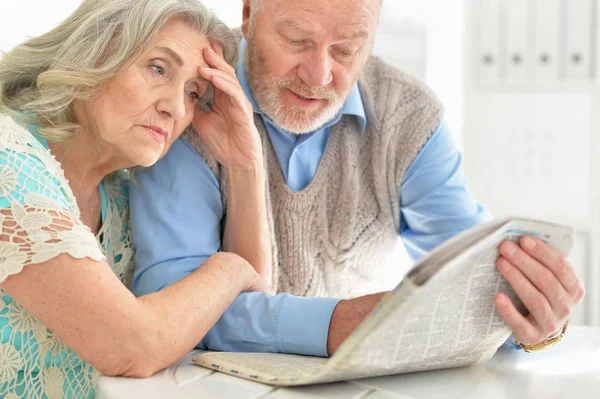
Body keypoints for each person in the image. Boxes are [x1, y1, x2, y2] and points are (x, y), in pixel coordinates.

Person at [131, 0, 585, 359]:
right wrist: (341, 324)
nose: (319, 74)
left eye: (347, 49)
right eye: (296, 40)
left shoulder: (408, 118)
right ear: (249, 14)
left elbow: (474, 283)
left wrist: (528, 317)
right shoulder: (191, 97)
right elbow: (173, 309)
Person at [0, 0, 277, 397]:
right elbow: (131, 347)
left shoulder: (120, 196)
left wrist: (246, 167)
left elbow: (250, 306)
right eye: (158, 68)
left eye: (194, 93)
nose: (175, 107)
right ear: (94, 49)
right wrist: (231, 267)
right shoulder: (7, 158)